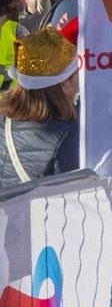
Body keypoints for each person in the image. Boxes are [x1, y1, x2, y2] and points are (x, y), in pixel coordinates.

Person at [0, 26, 80, 188]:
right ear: (64, 85)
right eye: (77, 74)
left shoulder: (3, 119)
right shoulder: (68, 134)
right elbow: (73, 194)